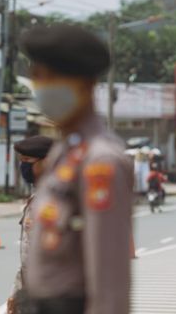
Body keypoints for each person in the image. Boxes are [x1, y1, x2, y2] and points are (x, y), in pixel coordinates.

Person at [19, 24, 134, 314]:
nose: (42, 88)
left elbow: (109, 279)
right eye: (37, 79)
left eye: (51, 79)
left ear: (85, 84)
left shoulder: (100, 162)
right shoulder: (65, 153)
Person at [8, 136, 54, 314]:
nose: (23, 167)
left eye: (27, 161)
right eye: (21, 162)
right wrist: (17, 293)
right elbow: (30, 258)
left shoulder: (57, 200)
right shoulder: (37, 198)